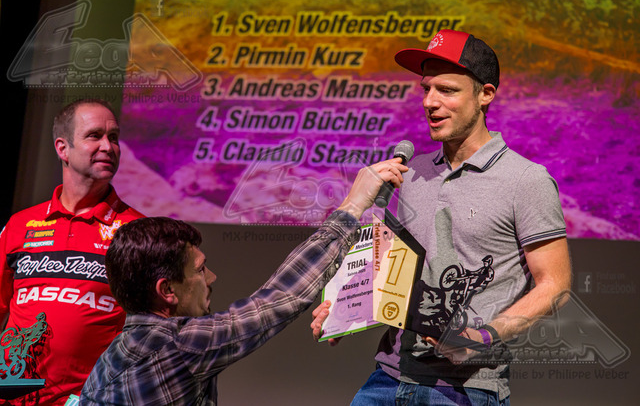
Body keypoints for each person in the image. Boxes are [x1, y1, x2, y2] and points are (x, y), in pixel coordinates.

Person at [311, 29, 572, 405]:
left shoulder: (526, 180)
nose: (430, 102)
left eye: (447, 90)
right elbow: (393, 268)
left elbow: (555, 285)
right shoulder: (412, 172)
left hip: (466, 387)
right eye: (426, 89)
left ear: (485, 94)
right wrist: (346, 309)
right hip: (387, 377)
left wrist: (481, 337)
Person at [79, 157, 408, 405]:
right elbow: (278, 300)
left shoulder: (106, 363)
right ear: (167, 290)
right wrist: (352, 206)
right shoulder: (180, 345)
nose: (212, 278)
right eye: (199, 270)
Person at [0, 99, 144, 404]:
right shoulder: (19, 225)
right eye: (94, 136)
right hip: (11, 396)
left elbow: (152, 331)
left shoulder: (136, 232)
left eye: (114, 137)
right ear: (62, 149)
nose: (108, 146)